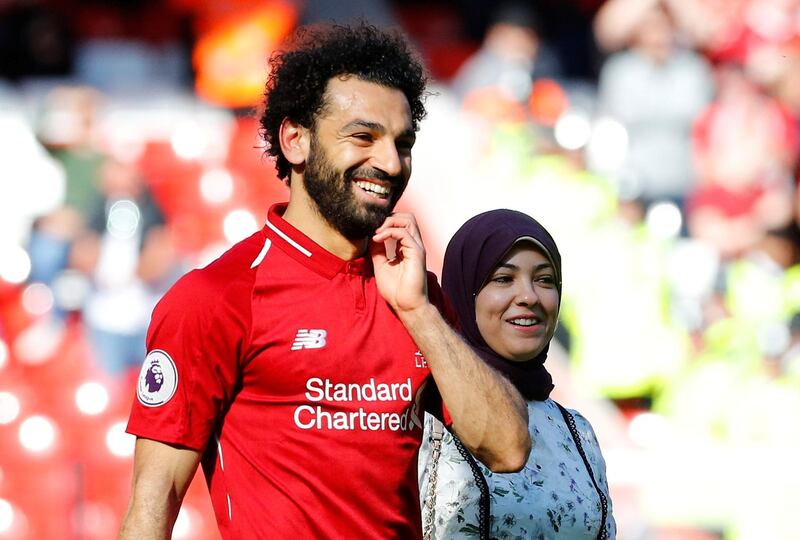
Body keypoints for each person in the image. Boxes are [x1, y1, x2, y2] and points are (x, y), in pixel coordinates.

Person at [118, 23, 531, 539]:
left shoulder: (416, 295)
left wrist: (421, 312)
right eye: (364, 136)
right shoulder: (216, 298)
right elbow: (151, 510)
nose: (389, 162)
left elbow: (508, 448)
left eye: (402, 144)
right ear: (295, 140)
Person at [419, 209, 616, 539]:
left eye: (544, 280)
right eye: (503, 279)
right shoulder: (421, 416)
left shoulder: (577, 432)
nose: (529, 296)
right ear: (465, 290)